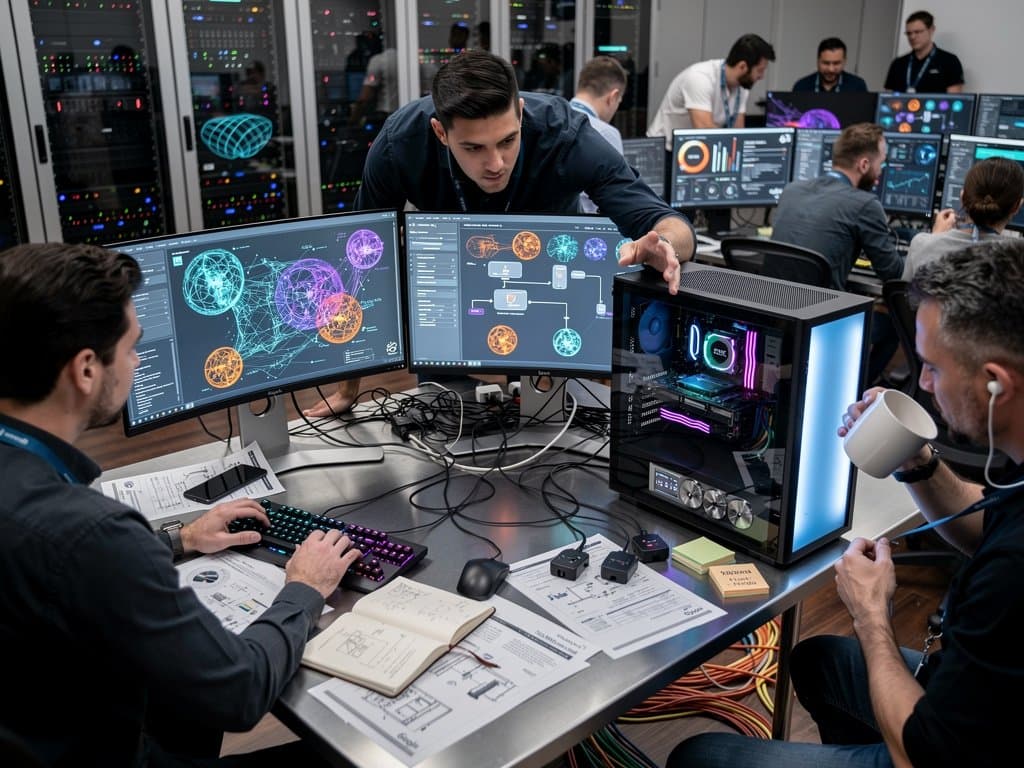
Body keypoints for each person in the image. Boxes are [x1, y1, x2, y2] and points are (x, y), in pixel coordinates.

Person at [0, 244, 363, 765]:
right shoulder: (94, 533)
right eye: (131, 348)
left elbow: (52, 558)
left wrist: (181, 539)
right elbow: (239, 691)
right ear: (85, 370)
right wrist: (304, 589)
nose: (138, 362)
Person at [667, 237, 1024, 768]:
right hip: (980, 704)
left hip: (940, 750)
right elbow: (983, 524)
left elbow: (923, 754)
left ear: (995, 384)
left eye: (932, 367)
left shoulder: (1013, 573)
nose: (922, 383)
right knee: (818, 661)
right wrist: (914, 459)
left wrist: (871, 613)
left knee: (700, 756)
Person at [304, 49, 692, 417]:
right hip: (449, 291)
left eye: (507, 140)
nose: (495, 164)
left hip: (548, 289)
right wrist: (347, 387)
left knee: (550, 417)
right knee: (440, 408)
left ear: (520, 112)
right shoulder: (399, 146)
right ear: (441, 132)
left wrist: (666, 247)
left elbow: (670, 225)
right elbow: (362, 261)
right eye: (474, 147)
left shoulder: (566, 136)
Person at [770, 122, 903, 384]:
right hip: (821, 325)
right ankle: (855, 393)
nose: (880, 172)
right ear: (864, 165)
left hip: (776, 318)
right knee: (892, 327)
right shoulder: (864, 204)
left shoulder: (792, 189)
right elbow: (893, 272)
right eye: (881, 163)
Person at [647, 33, 776, 150]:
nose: (762, 76)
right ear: (742, 66)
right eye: (760, 70)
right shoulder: (699, 78)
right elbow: (704, 131)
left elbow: (738, 132)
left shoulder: (742, 87)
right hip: (666, 148)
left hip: (695, 147)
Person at [903, 156, 1024, 280]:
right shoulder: (1018, 260)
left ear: (962, 197)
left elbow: (905, 296)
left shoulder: (921, 244)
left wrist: (935, 239)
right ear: (1016, 206)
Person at [570, 55, 628, 213]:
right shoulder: (605, 133)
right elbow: (616, 201)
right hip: (586, 231)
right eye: (619, 101)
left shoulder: (552, 121)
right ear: (613, 96)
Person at [884, 10, 964, 93]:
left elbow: (954, 100)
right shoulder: (898, 64)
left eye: (917, 32)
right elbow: (887, 98)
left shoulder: (949, 61)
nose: (912, 37)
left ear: (931, 30)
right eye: (909, 33)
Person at [792, 37, 868, 93]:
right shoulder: (801, 86)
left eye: (836, 63)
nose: (831, 69)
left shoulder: (857, 86)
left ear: (844, 62)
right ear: (818, 61)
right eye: (826, 63)